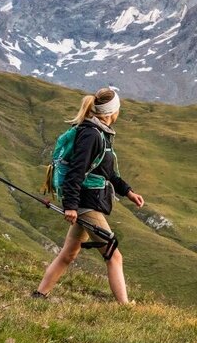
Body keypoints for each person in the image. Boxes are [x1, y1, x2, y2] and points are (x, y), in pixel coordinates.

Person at [33, 87, 144, 303]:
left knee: (68, 254)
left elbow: (108, 172)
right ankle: (125, 307)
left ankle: (39, 295)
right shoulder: (91, 134)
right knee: (113, 254)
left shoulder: (100, 133)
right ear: (112, 111)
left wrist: (129, 192)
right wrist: (71, 206)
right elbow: (76, 171)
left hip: (87, 201)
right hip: (87, 203)